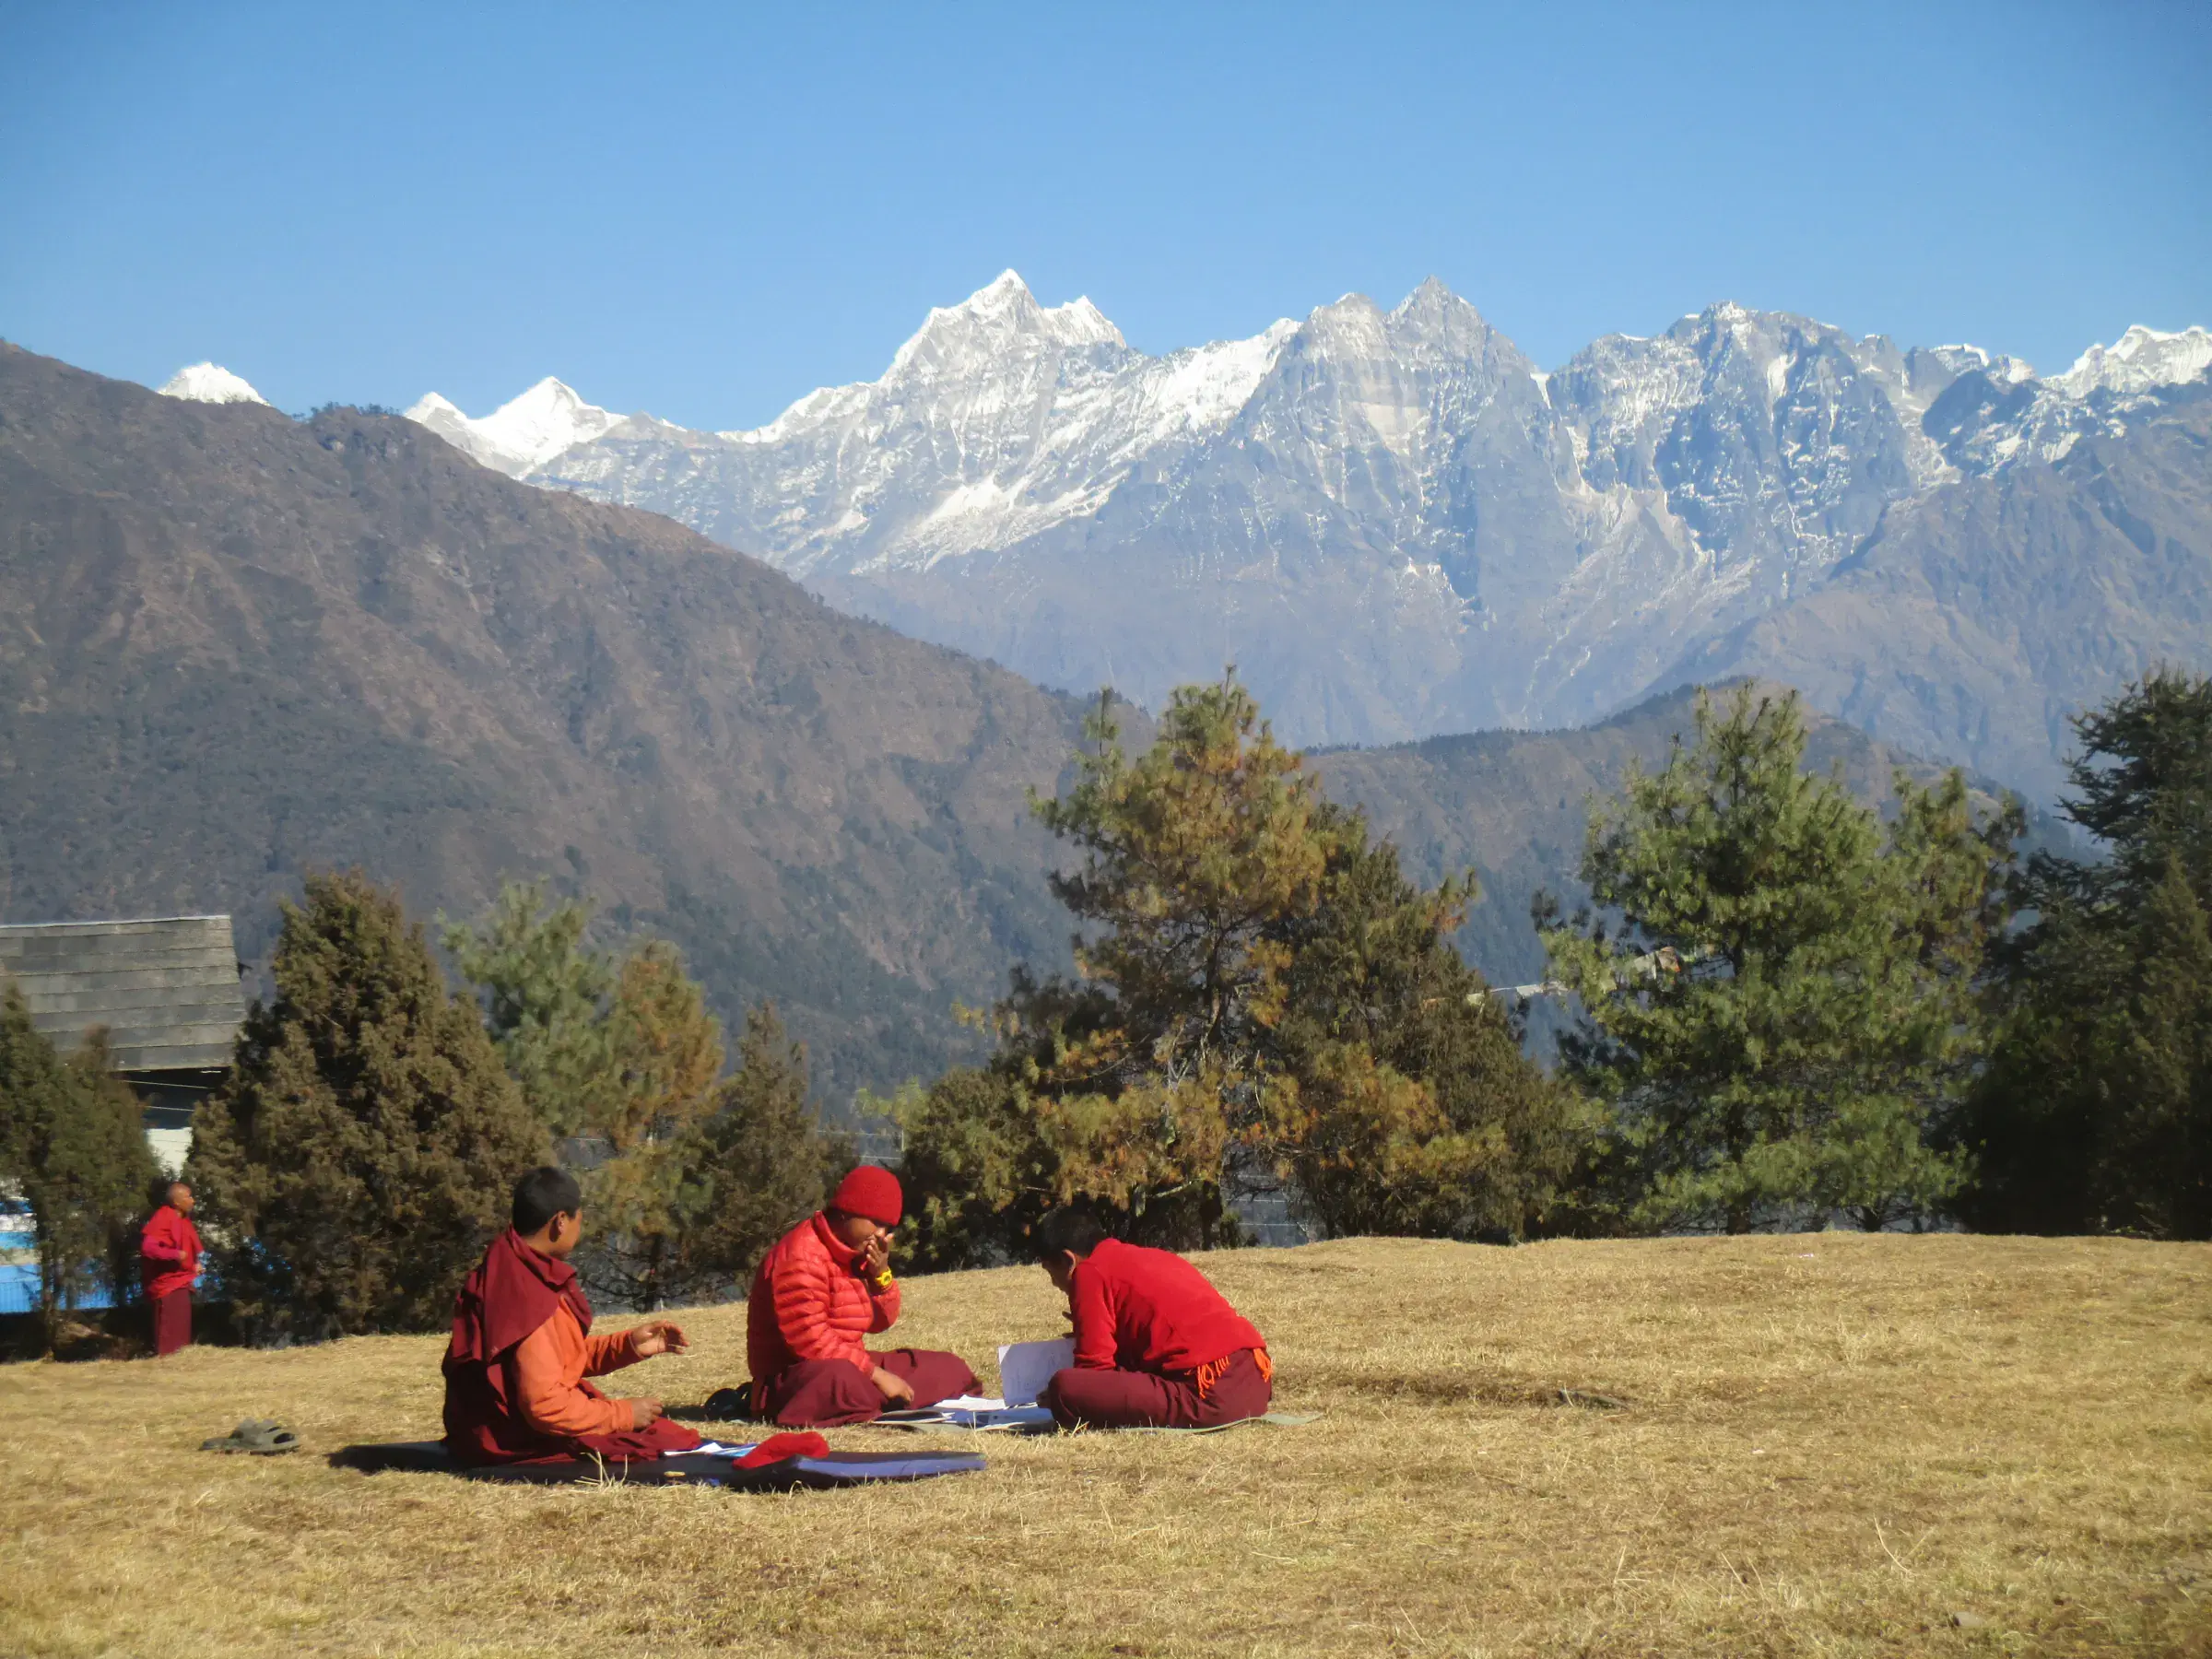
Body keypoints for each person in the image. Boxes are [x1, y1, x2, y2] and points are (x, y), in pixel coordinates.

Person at [441, 1166, 703, 1465]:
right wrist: (623, 1414)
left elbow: (551, 1357)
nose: (582, 1226)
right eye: (579, 1217)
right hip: (511, 1439)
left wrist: (627, 1345)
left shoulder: (507, 1266)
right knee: (666, 1438)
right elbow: (544, 1406)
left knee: (659, 1433)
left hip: (476, 1434)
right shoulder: (526, 1293)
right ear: (561, 1222)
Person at [745, 1165, 979, 1427]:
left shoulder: (855, 1253)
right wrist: (877, 1375)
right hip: (795, 1380)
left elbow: (880, 1322)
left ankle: (881, 1400)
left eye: (888, 1227)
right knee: (841, 1382)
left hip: (854, 1366)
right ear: (846, 1213)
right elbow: (811, 1341)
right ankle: (881, 1400)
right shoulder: (802, 1255)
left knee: (950, 1369)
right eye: (876, 1223)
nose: (881, 1235)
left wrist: (881, 1276)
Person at [1033, 1207, 1274, 1430]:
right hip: (1255, 1383)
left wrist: (1058, 1398)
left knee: (1066, 1388)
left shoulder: (1089, 1272)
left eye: (1049, 1271)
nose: (1054, 1283)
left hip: (1210, 1397)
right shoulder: (1150, 1256)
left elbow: (1094, 1371)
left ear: (1068, 1260)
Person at [139, 1180, 203, 1358]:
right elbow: (148, 1247)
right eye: (189, 1197)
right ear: (177, 1202)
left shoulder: (184, 1220)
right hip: (167, 1285)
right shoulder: (163, 1217)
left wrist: (194, 1265)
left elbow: (187, 1250)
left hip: (181, 1281)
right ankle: (166, 1362)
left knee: (182, 1328)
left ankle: (179, 1362)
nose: (193, 1201)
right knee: (169, 1331)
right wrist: (173, 1255)